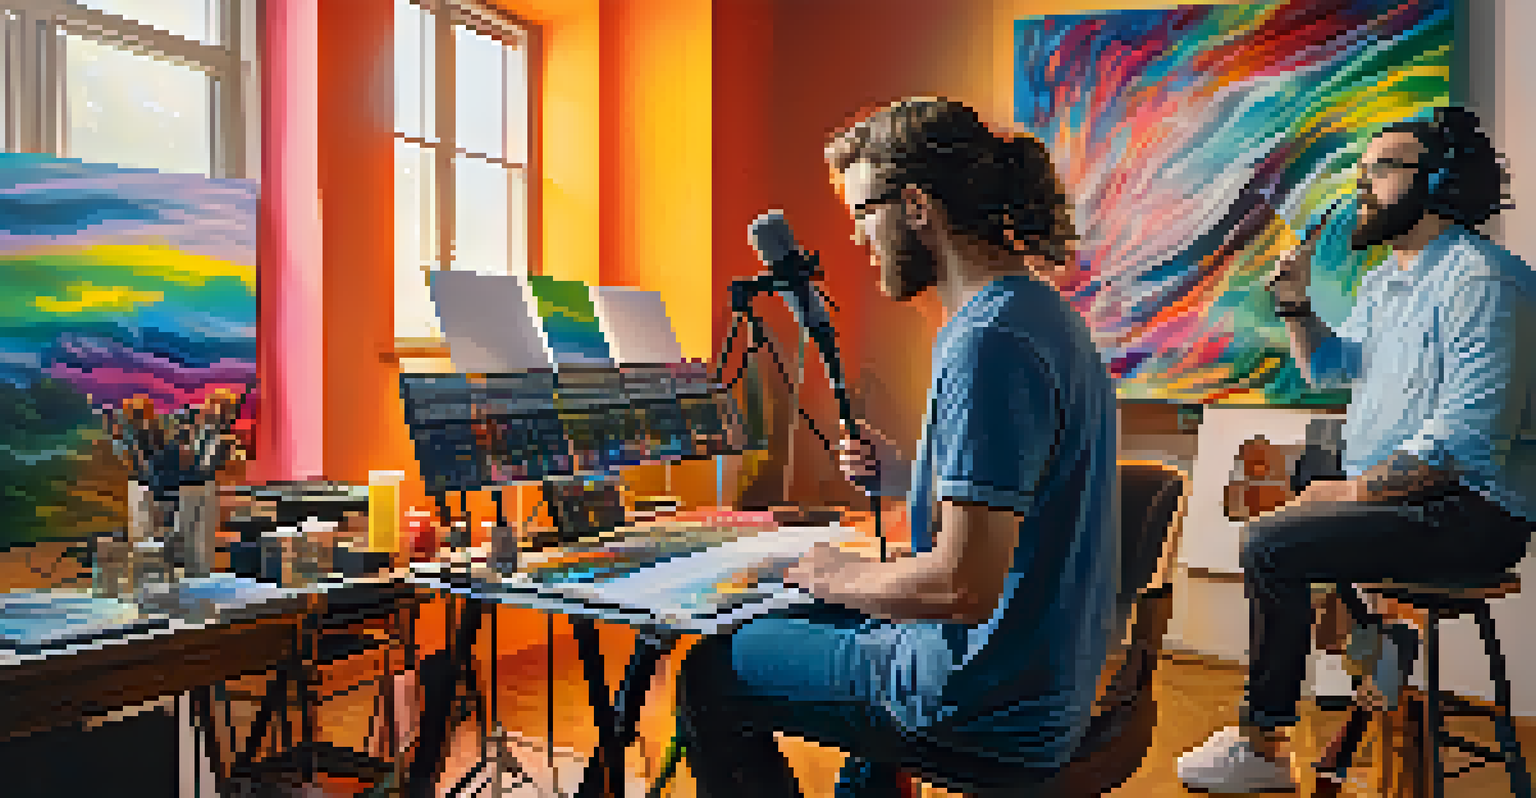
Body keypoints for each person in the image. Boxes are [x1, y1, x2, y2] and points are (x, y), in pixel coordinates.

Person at [673, 97, 1121, 798]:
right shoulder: (1038, 314)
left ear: (916, 206)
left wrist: (832, 576)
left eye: (861, 211)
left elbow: (961, 585)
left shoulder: (987, 340)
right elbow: (1024, 498)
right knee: (796, 616)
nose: (855, 237)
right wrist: (907, 474)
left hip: (984, 703)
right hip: (1035, 682)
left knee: (712, 668)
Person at [1177, 106, 1536, 793]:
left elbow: (1459, 448)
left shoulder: (1480, 284)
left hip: (1473, 514)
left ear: (1437, 179)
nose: (1363, 185)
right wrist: (1294, 308)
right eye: (1364, 168)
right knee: (1311, 464)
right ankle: (1379, 646)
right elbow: (1332, 366)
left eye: (1383, 168)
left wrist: (1340, 494)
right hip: (1417, 494)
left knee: (1272, 543)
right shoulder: (1391, 278)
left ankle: (1263, 742)